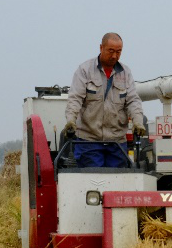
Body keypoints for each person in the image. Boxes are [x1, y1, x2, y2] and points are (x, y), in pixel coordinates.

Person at [63, 32, 147, 168]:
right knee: (93, 179)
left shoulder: (125, 73)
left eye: (118, 52)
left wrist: (138, 122)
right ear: (101, 48)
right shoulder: (85, 70)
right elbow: (75, 99)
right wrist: (71, 121)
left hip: (117, 143)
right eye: (111, 51)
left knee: (118, 180)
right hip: (89, 142)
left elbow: (133, 101)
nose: (114, 56)